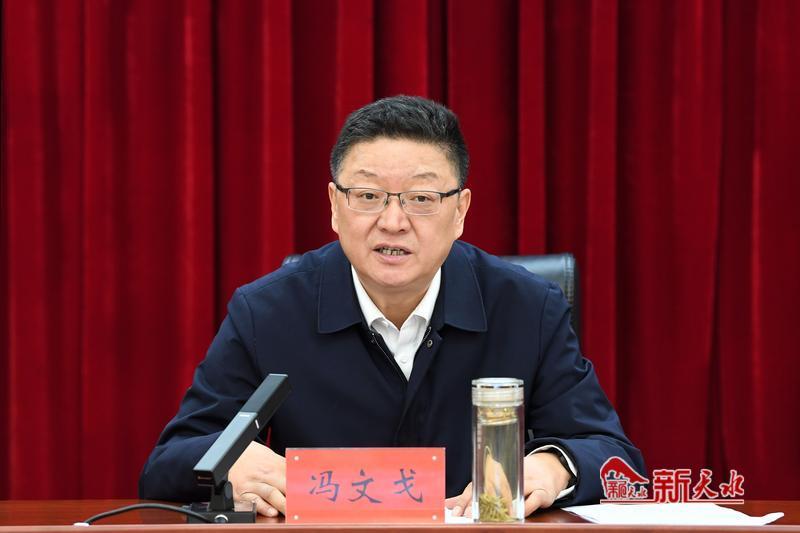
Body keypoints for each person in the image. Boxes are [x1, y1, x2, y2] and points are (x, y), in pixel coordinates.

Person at [139, 95, 645, 518]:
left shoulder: (528, 308)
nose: (393, 221)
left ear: (460, 210)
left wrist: (551, 467)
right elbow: (168, 462)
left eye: (421, 198)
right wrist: (228, 464)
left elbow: (613, 456)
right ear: (334, 206)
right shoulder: (266, 312)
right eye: (368, 195)